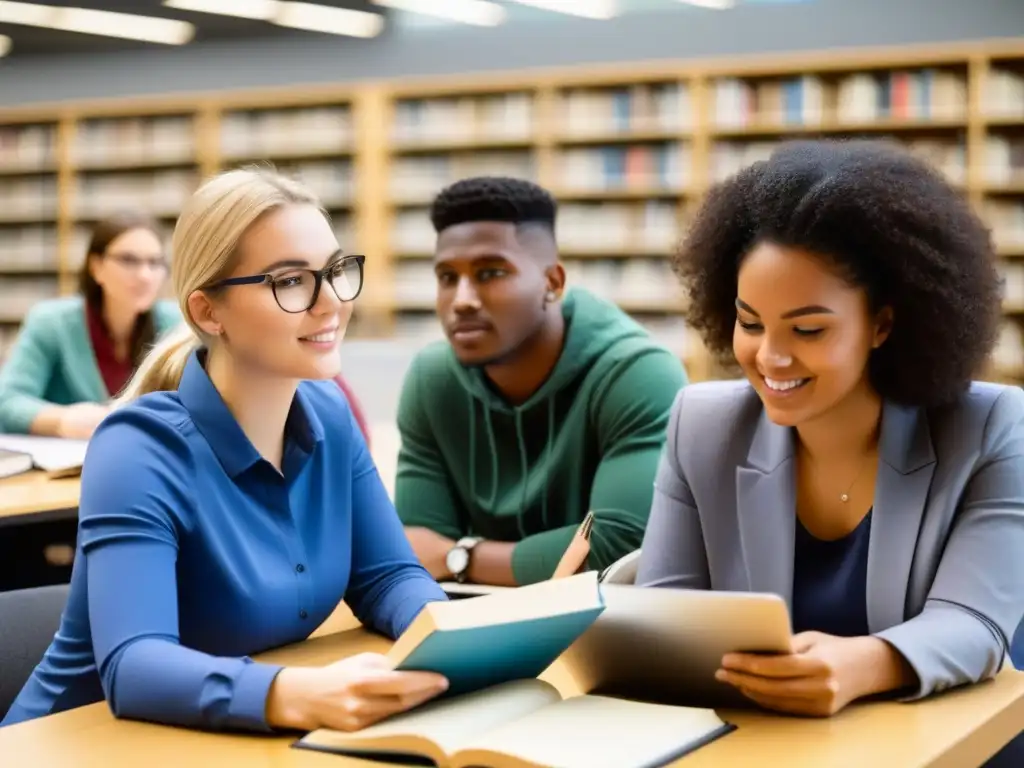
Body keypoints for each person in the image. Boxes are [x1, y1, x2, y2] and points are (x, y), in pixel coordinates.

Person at [1, 168, 449, 733]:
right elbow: (134, 666)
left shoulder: (330, 414)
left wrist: (456, 639)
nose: (331, 301)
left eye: (336, 270)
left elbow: (386, 578)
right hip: (69, 745)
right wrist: (294, 693)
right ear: (209, 312)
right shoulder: (138, 448)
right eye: (290, 281)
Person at [634, 139, 1024, 762]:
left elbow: (974, 626)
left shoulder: (991, 426)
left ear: (883, 324)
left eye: (808, 329)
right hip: (772, 747)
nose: (771, 358)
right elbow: (661, 622)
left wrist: (865, 665)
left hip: (946, 745)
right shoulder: (700, 425)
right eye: (751, 322)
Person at [395, 176, 688, 587]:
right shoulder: (432, 380)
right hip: (466, 626)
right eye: (447, 277)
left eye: (490, 272)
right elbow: (412, 550)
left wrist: (458, 556)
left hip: (603, 633)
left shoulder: (638, 372)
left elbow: (620, 550)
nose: (461, 299)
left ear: (552, 283)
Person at [0, 211, 182, 438]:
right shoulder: (52, 322)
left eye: (155, 262)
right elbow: (8, 401)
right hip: (63, 466)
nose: (146, 275)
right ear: (96, 267)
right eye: (128, 260)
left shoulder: (176, 324)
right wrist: (61, 421)